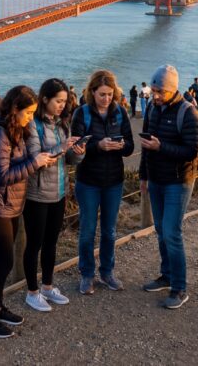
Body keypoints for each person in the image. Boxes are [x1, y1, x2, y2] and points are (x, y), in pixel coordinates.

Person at [0, 86, 52, 338]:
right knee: (5, 261)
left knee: (1, 260)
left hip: (10, 205)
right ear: (15, 109)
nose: (31, 117)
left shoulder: (14, 129)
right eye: (28, 112)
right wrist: (34, 163)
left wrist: (39, 159)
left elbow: (14, 163)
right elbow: (2, 175)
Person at [139, 64, 198, 310]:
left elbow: (191, 151)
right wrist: (143, 176)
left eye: (160, 91)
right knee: (160, 231)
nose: (154, 95)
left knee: (172, 233)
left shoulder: (188, 113)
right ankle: (166, 275)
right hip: (156, 179)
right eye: (153, 90)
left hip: (178, 181)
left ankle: (179, 288)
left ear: (172, 90)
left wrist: (161, 147)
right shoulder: (153, 108)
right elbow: (145, 144)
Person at [71, 69, 134, 296]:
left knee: (109, 231)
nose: (106, 99)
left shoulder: (121, 113)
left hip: (113, 180)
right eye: (102, 95)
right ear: (92, 92)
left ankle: (107, 272)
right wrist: (99, 146)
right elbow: (76, 146)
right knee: (87, 231)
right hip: (88, 181)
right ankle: (87, 274)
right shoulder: (82, 114)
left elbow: (130, 147)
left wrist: (120, 146)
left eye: (110, 94)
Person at [23, 79, 82, 313]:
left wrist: (78, 152)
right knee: (34, 244)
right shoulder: (32, 125)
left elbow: (69, 160)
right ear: (45, 99)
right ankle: (32, 292)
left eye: (65, 101)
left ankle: (47, 286)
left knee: (51, 243)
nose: (62, 105)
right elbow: (36, 158)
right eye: (58, 101)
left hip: (59, 192)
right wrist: (63, 147)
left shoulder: (61, 125)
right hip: (36, 195)